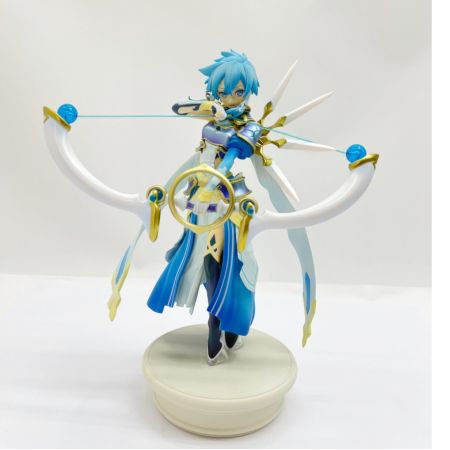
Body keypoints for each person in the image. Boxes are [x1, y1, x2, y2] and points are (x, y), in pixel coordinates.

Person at [147, 50, 263, 365]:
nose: (230, 97)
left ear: (247, 92)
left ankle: (226, 321)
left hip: (227, 201)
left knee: (238, 263)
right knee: (203, 259)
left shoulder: (250, 127)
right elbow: (195, 152)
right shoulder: (211, 122)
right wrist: (166, 190)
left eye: (238, 91)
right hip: (201, 200)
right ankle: (216, 324)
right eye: (223, 91)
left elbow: (229, 158)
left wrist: (212, 184)